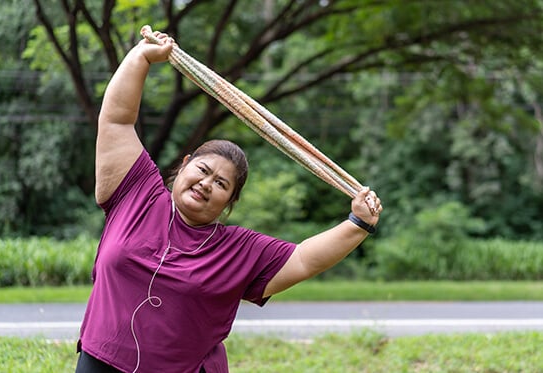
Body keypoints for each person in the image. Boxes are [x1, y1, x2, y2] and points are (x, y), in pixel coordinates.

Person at [75, 28, 383, 373]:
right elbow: (117, 120)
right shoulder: (136, 192)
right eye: (203, 170)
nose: (206, 184)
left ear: (230, 201)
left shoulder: (238, 249)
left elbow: (304, 260)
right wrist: (142, 57)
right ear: (185, 163)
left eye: (221, 183)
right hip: (99, 361)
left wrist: (358, 224)